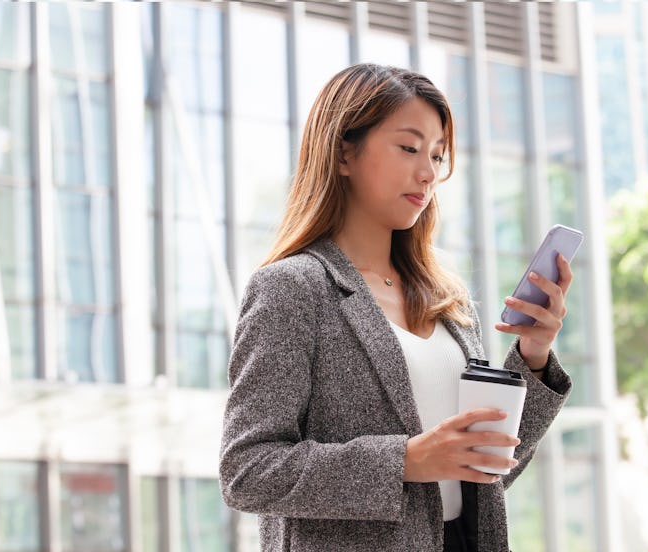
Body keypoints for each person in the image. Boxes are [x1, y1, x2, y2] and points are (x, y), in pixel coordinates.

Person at [218, 63, 572, 552]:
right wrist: (404, 460)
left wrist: (533, 354)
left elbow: (483, 471)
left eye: (438, 155)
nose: (427, 173)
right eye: (409, 148)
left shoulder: (443, 296)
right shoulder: (292, 288)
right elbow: (247, 469)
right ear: (344, 153)